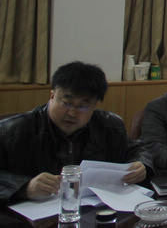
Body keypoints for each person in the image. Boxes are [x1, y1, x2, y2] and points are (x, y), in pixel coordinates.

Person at [0, 61, 152, 203]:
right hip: (31, 214)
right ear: (52, 96)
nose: (72, 113)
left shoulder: (110, 126)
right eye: (67, 103)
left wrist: (141, 164)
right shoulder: (13, 130)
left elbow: (137, 149)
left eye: (82, 106)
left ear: (94, 106)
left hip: (94, 209)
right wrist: (25, 187)